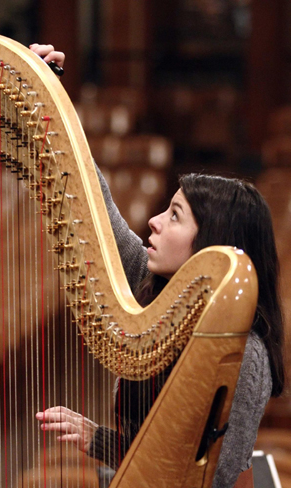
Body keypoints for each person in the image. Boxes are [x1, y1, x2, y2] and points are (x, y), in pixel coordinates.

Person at [30, 44, 285, 487]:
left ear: (211, 244)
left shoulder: (246, 355)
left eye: (174, 216)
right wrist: (46, 92)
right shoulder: (153, 284)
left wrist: (98, 440)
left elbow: (209, 474)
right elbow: (92, 200)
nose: (153, 221)